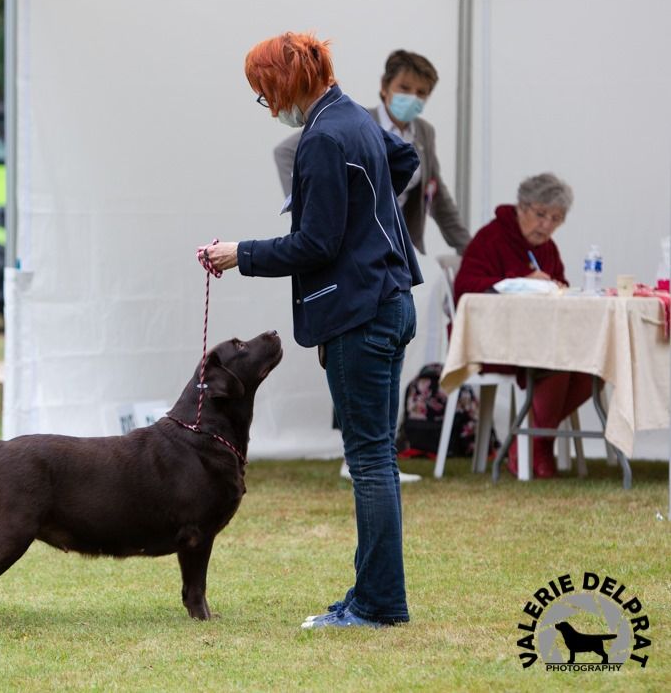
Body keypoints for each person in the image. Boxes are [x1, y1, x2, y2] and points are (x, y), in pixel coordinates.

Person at [198, 32, 422, 629]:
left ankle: (377, 605)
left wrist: (237, 253)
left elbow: (314, 244)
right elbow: (405, 161)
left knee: (370, 461)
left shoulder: (323, 137)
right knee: (378, 458)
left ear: (285, 81)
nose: (267, 105)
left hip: (362, 312)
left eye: (262, 92)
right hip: (391, 301)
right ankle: (373, 595)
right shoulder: (353, 117)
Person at [453, 172, 592, 478]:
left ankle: (528, 444)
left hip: (539, 339)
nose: (547, 225)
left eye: (556, 218)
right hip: (491, 340)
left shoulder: (547, 248)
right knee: (558, 363)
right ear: (521, 207)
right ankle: (535, 449)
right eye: (540, 214)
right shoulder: (492, 237)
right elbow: (465, 287)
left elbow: (561, 285)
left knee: (591, 367)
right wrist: (518, 283)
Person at [274, 49, 470, 255]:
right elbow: (285, 151)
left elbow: (438, 197)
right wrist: (305, 205)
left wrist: (470, 249)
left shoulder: (424, 133)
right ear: (385, 87)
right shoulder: (360, 121)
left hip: (396, 242)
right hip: (357, 241)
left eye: (421, 93)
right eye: (404, 88)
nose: (412, 97)